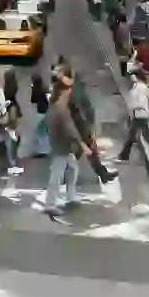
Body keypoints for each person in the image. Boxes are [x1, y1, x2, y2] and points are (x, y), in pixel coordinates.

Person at [44, 80, 90, 216]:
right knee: (57, 176)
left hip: (63, 146)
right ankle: (50, 204)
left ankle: (70, 197)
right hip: (61, 147)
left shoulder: (57, 107)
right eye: (68, 90)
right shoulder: (60, 109)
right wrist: (82, 145)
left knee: (72, 170)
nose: (70, 92)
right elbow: (70, 129)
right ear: (62, 92)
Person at [117, 69, 149, 161]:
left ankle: (124, 156)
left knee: (133, 136)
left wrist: (132, 106)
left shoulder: (140, 87)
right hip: (140, 115)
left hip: (140, 115)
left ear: (136, 76)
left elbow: (141, 102)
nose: (131, 77)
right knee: (143, 135)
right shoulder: (139, 86)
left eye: (132, 75)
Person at [27, 72, 51, 158]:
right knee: (44, 131)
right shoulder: (45, 89)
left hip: (40, 112)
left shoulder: (36, 89)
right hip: (47, 112)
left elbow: (33, 100)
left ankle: (42, 150)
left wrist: (32, 88)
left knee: (40, 132)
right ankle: (46, 149)